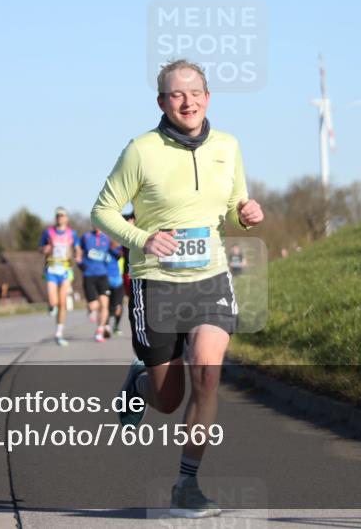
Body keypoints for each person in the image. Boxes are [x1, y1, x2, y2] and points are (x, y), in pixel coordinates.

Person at [91, 58, 264, 518]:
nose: (186, 101)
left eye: (194, 92)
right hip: (157, 283)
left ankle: (186, 485)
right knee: (168, 400)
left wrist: (244, 212)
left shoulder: (228, 146)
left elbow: (232, 204)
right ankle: (141, 380)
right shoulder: (141, 151)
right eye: (175, 94)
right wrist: (142, 237)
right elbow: (103, 211)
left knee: (208, 373)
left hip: (210, 278)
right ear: (161, 102)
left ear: (208, 97)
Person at [40, 207, 82, 346]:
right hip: (51, 269)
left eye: (62, 215)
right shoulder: (48, 232)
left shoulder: (72, 233)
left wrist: (78, 255)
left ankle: (59, 333)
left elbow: (77, 248)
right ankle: (52, 306)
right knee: (53, 301)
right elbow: (41, 248)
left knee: (63, 302)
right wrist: (44, 249)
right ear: (55, 218)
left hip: (65, 269)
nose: (60, 218)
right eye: (58, 215)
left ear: (66, 218)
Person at [79, 226, 114, 342]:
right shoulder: (86, 237)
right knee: (94, 306)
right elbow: (78, 251)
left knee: (104, 304)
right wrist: (80, 263)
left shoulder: (107, 238)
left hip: (102, 274)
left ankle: (100, 329)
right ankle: (91, 310)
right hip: (88, 274)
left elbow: (113, 251)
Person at [106, 238, 126, 336]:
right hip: (106, 281)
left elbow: (120, 256)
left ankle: (116, 326)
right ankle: (106, 326)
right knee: (107, 305)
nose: (117, 243)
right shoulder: (105, 249)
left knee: (118, 306)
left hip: (118, 281)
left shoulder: (120, 251)